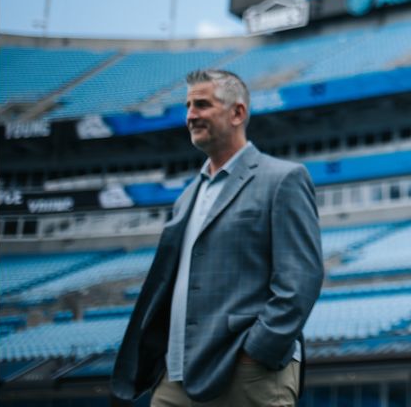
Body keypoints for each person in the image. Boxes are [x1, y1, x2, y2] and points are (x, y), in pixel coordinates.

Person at [111, 69, 324, 406]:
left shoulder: (283, 179)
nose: (190, 116)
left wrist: (257, 352)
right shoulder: (186, 197)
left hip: (245, 372)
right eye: (188, 106)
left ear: (237, 112)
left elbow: (301, 278)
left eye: (202, 105)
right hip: (175, 376)